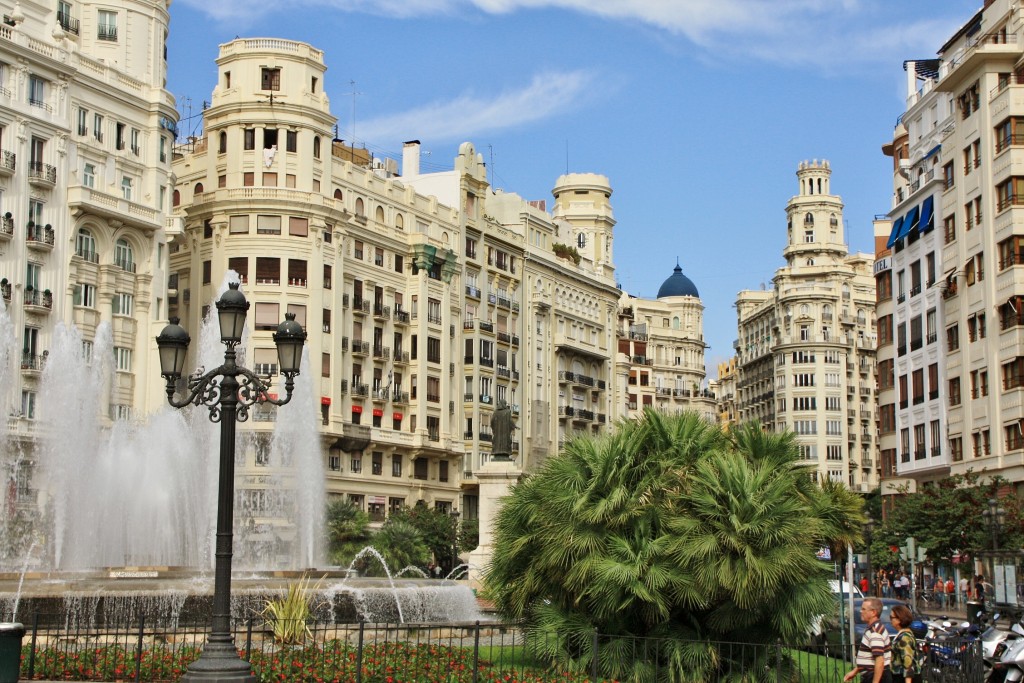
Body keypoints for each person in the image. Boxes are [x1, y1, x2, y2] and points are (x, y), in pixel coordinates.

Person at [845, 597, 892, 683]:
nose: (861, 611)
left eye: (863, 609)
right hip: (872, 675)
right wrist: (855, 671)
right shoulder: (873, 629)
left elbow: (879, 660)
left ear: (873, 612)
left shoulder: (875, 632)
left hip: (875, 676)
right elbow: (870, 659)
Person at [889, 603, 918, 683]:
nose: (890, 620)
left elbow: (907, 662)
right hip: (899, 676)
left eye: (892, 617)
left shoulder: (905, 638)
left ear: (899, 619)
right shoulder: (903, 634)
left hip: (903, 677)